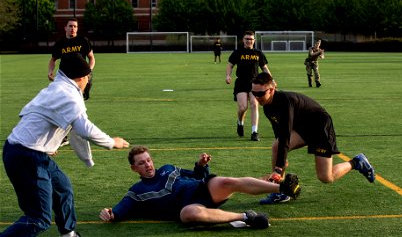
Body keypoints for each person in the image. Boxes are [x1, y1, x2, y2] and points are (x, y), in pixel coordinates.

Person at [1, 54, 130, 237]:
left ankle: (68, 234)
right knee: (39, 218)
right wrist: (112, 142)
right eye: (88, 77)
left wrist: (47, 144)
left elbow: (38, 118)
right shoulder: (69, 95)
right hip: (27, 157)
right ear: (80, 77)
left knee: (63, 188)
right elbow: (84, 129)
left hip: (29, 152)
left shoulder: (57, 88)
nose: (88, 81)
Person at [99, 145, 301, 229]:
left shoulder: (169, 169)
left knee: (226, 182)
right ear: (134, 168)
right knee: (188, 214)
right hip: (189, 206)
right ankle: (246, 217)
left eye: (149, 160)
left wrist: (201, 165)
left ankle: (282, 189)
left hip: (201, 189)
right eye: (142, 163)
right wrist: (110, 213)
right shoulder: (136, 191)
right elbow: (120, 210)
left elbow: (196, 175)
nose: (148, 165)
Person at [251, 72, 375, 205]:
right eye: (254, 93)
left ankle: (356, 162)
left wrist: (278, 168)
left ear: (271, 89)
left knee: (326, 177)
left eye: (260, 94)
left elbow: (286, 134)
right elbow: (280, 134)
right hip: (302, 128)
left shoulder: (285, 101)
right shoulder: (267, 107)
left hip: (320, 128)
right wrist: (282, 159)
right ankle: (280, 192)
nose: (256, 98)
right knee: (277, 147)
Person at [225, 31, 271, 141]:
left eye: (251, 39)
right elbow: (230, 65)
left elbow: (264, 68)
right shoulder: (238, 52)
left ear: (254, 40)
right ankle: (240, 122)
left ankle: (254, 132)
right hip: (241, 82)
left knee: (254, 105)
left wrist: (271, 80)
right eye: (247, 39)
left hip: (255, 83)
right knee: (243, 107)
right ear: (243, 40)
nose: (249, 41)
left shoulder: (258, 53)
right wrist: (228, 76)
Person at [48, 17, 95, 100]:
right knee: (62, 98)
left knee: (79, 100)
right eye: (70, 26)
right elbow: (53, 59)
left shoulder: (83, 41)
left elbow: (91, 58)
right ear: (65, 28)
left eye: (75, 26)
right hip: (65, 76)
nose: (72, 28)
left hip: (80, 76)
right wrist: (50, 71)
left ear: (77, 28)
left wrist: (89, 71)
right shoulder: (60, 43)